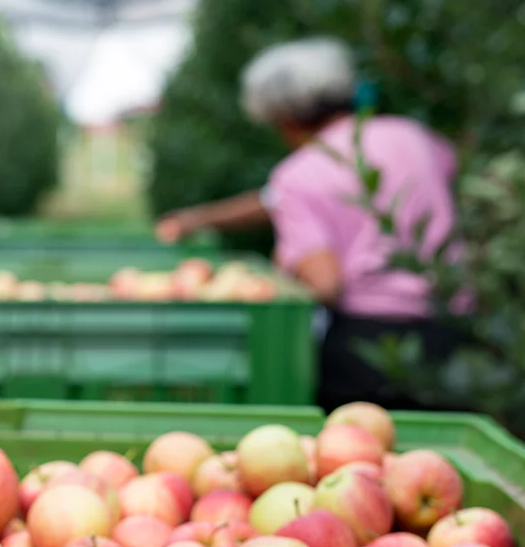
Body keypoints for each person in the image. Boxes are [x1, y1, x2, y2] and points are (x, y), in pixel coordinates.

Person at [156, 37, 467, 412]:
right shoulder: (414, 137)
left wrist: (284, 268)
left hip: (367, 350)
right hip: (455, 333)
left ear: (286, 119)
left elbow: (324, 283)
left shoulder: (299, 174)